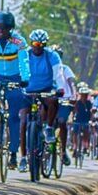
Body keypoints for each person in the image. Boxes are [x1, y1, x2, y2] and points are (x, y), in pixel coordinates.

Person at [0, 11, 30, 170]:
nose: (0, 30)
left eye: (4, 28)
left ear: (10, 28)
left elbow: (24, 61)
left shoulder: (19, 41)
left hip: (15, 79)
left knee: (14, 118)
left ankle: (13, 152)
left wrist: (25, 78)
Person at [18, 29, 62, 172]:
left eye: (41, 44)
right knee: (23, 122)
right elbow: (19, 70)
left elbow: (58, 73)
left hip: (45, 89)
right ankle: (23, 157)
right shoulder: (25, 55)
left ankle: (49, 128)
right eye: (35, 43)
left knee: (53, 101)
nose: (38, 47)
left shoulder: (52, 55)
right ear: (31, 43)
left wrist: (60, 87)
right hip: (27, 91)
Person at [51, 45, 77, 166]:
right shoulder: (46, 68)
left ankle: (63, 151)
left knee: (62, 121)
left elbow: (72, 82)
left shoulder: (65, 68)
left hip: (64, 100)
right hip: (49, 98)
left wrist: (73, 94)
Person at [73, 84, 93, 156]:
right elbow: (74, 111)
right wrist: (72, 119)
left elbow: (91, 112)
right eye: (83, 95)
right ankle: (75, 148)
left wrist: (91, 120)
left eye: (85, 95)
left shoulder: (89, 103)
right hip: (77, 120)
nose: (84, 96)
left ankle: (85, 146)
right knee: (75, 133)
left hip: (86, 120)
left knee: (86, 132)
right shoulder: (77, 102)